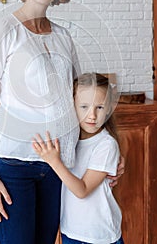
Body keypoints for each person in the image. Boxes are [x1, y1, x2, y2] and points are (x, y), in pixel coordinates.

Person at [0, 0, 124, 244]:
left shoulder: (64, 37)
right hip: (14, 166)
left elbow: (79, 104)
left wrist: (110, 156)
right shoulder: (3, 29)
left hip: (59, 165)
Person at [33, 73, 124, 244]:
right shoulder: (69, 141)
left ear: (110, 108)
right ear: (72, 106)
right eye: (84, 107)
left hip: (98, 236)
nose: (92, 115)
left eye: (99, 107)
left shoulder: (106, 145)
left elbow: (82, 190)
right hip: (71, 232)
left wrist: (54, 161)